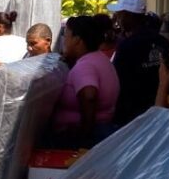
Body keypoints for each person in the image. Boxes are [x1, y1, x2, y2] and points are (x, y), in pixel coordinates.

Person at [48, 15, 120, 149]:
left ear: (77, 40)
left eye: (66, 36)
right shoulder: (99, 58)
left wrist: (83, 137)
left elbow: (89, 96)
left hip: (85, 137)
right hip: (103, 129)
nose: (64, 41)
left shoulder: (85, 65)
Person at [108, 0, 169, 127]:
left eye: (119, 15)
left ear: (128, 16)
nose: (117, 19)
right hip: (160, 110)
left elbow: (117, 81)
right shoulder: (162, 41)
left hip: (131, 115)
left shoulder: (127, 46)